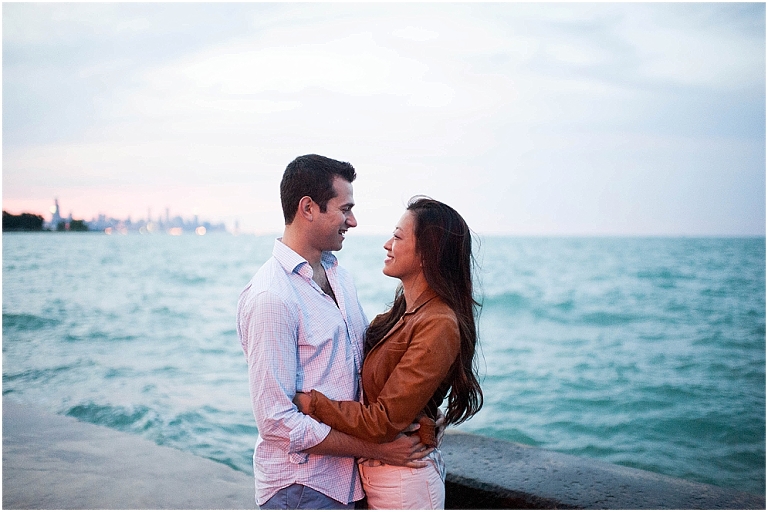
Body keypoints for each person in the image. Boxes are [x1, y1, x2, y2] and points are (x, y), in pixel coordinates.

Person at [236, 155, 432, 510]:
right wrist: (378, 449)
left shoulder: (340, 277)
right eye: (345, 209)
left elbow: (360, 370)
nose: (352, 221)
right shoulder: (272, 297)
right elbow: (277, 423)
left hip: (348, 482)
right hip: (302, 488)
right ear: (308, 208)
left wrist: (419, 408)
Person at [293, 196, 484, 509]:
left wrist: (310, 403)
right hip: (381, 476)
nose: (387, 244)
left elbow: (382, 421)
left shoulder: (439, 323)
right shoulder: (403, 312)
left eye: (397, 237)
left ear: (428, 254)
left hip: (404, 483)